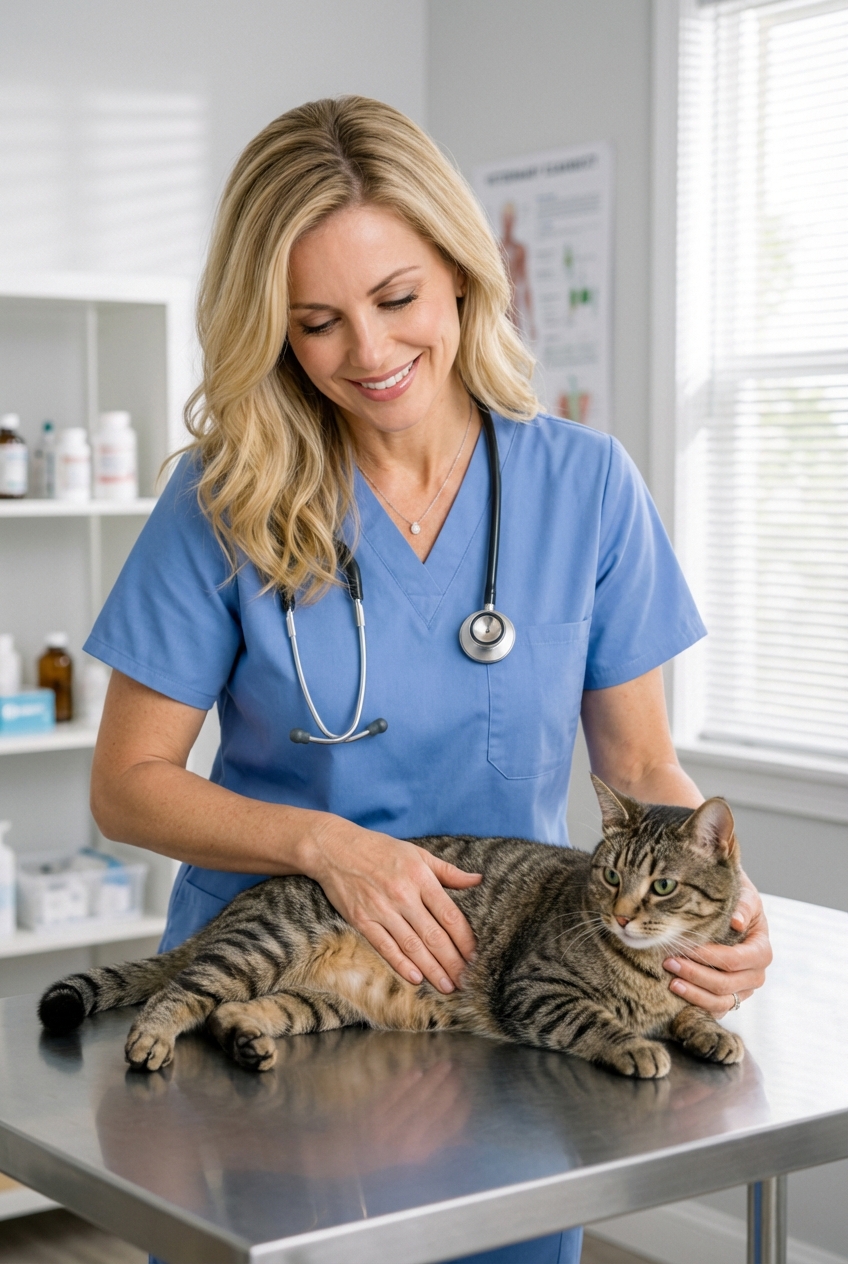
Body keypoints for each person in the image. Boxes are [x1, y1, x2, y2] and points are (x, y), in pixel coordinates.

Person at [86, 96, 772, 1264]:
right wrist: (325, 847)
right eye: (315, 322)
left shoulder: (584, 484)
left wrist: (719, 908)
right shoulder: (225, 495)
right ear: (273, 329)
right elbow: (127, 786)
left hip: (503, 1006)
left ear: (461, 272)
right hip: (277, 994)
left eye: (397, 299)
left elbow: (640, 764)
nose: (369, 352)